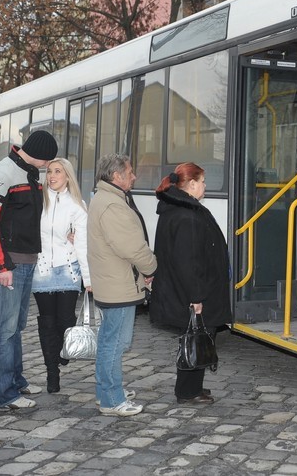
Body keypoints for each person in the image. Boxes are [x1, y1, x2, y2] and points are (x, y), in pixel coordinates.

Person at [0, 130, 58, 410]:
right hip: (9, 263)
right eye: (48, 160)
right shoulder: (3, 173)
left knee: (15, 327)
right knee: (4, 328)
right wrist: (1, 266)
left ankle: (15, 381)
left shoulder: (30, 173)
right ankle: (2, 395)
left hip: (25, 261)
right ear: (40, 154)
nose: (49, 165)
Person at [150, 162, 232, 405]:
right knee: (196, 338)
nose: (205, 186)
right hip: (197, 292)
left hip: (191, 289)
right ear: (192, 184)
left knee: (198, 337)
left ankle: (193, 387)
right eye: (203, 181)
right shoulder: (187, 215)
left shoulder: (179, 210)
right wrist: (196, 298)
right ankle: (187, 391)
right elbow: (189, 262)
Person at [88, 154, 156, 416]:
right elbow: (132, 248)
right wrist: (151, 267)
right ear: (116, 176)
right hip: (118, 285)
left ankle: (105, 391)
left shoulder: (106, 198)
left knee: (111, 340)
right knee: (115, 343)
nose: (134, 176)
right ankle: (112, 399)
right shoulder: (113, 205)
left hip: (114, 282)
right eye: (130, 172)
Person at [32, 158, 91, 394]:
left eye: (58, 171)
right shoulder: (39, 201)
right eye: (49, 172)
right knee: (47, 322)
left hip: (68, 269)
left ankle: (63, 352)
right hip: (43, 270)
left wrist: (89, 279)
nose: (52, 176)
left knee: (66, 320)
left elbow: (84, 244)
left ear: (68, 176)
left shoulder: (77, 205)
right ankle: (51, 373)